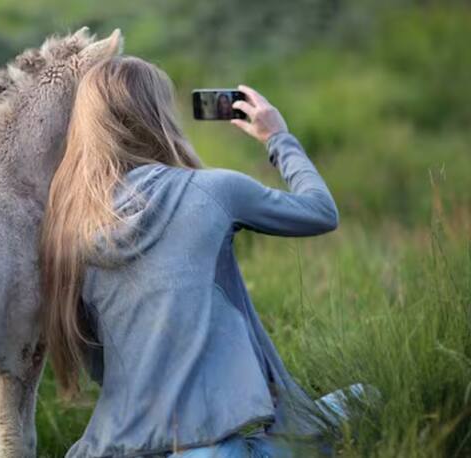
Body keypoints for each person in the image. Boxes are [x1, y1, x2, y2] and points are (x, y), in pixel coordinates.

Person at [40, 55, 358, 457]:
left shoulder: (69, 228)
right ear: (158, 117)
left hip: (111, 447)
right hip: (212, 447)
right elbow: (321, 212)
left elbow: (97, 361)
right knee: (368, 398)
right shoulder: (214, 191)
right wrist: (278, 136)